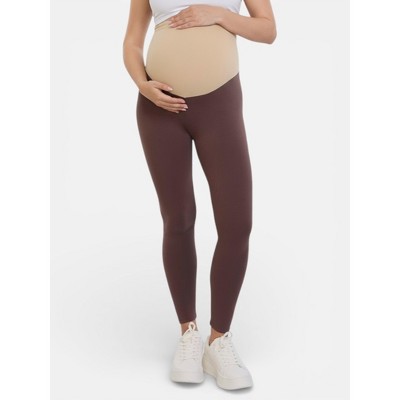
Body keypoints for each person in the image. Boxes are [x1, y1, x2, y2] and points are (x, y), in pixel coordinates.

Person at [123, 0, 276, 390]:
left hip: (219, 105)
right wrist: (142, 84)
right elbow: (132, 40)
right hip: (159, 109)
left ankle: (218, 339)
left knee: (237, 223)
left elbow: (267, 30)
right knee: (178, 219)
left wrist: (220, 14)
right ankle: (188, 333)